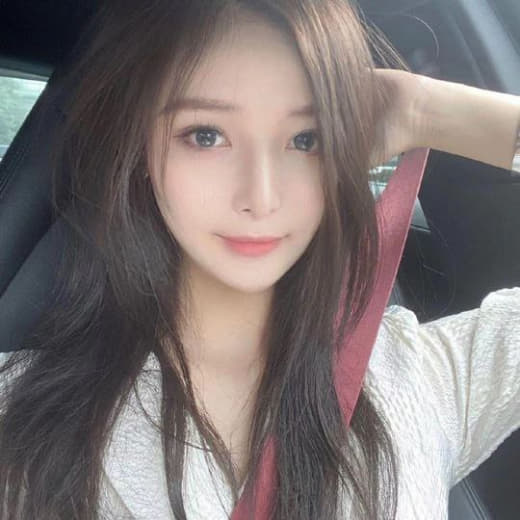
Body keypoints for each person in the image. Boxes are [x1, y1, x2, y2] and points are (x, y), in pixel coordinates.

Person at [0, 1, 518, 519]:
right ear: (140, 149)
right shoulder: (19, 409)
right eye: (206, 135)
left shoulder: (420, 375)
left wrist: (424, 111)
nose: (261, 197)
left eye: (306, 139)